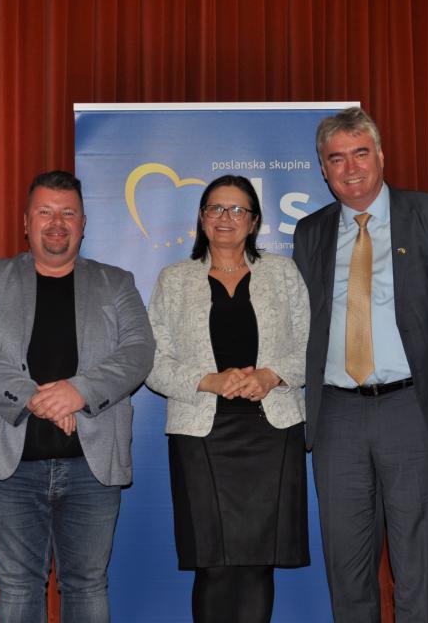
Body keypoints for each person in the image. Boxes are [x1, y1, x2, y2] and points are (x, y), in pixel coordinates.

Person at [0, 170, 155, 623]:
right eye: (45, 212)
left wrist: (78, 391)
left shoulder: (116, 282)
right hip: (11, 465)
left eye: (68, 213)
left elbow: (139, 351)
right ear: (26, 222)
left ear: (83, 223)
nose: (56, 223)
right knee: (17, 586)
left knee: (88, 585)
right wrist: (33, 397)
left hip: (92, 466)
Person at [292, 108, 428, 622]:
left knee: (417, 564)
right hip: (336, 414)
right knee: (346, 565)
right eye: (336, 158)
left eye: (361, 153)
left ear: (381, 156)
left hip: (411, 408)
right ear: (323, 169)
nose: (351, 168)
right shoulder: (311, 231)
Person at [147, 175, 310, 623]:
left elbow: (311, 347)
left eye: (238, 210)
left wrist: (272, 375)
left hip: (271, 434)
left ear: (254, 222)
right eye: (216, 208)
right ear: (201, 218)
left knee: (258, 564)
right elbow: (153, 363)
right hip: (201, 437)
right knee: (213, 564)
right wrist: (208, 381)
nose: (226, 217)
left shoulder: (283, 273)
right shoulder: (174, 279)